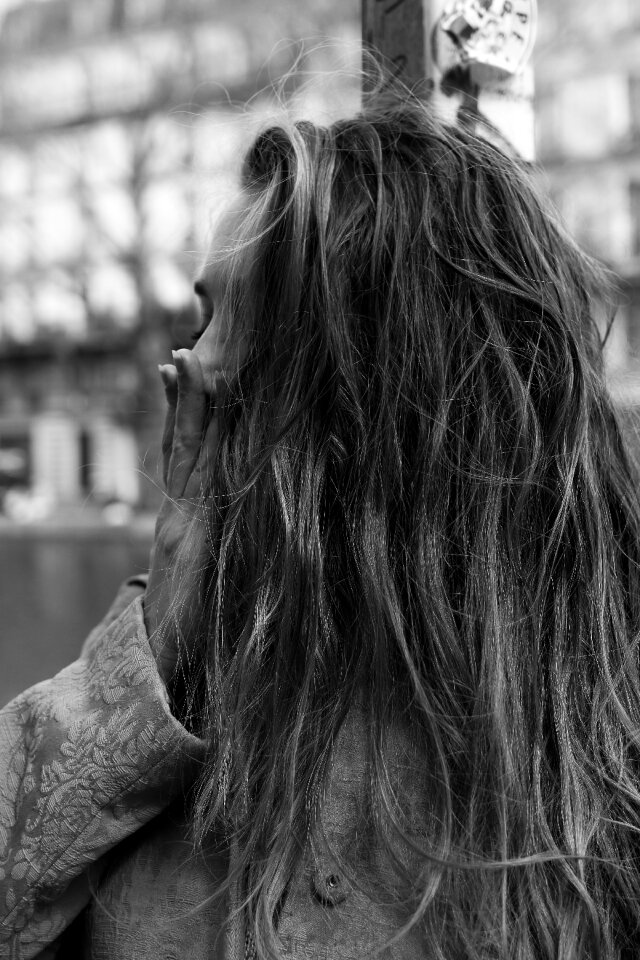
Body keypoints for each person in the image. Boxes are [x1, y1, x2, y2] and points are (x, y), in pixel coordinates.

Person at [2, 94, 640, 960]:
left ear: (381, 370)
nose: (197, 359)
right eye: (203, 313)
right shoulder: (178, 683)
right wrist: (141, 654)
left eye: (246, 315)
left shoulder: (592, 726)